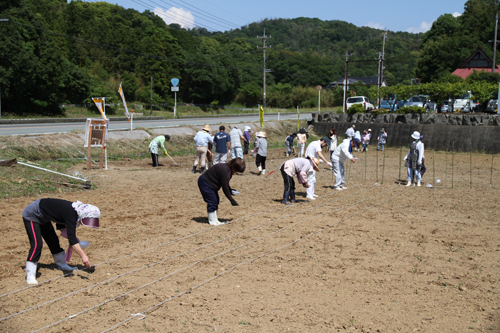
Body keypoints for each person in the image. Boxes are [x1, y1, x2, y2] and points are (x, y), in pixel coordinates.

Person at [22, 198, 100, 285]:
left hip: (45, 217)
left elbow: (62, 227)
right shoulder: (71, 214)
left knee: (53, 241)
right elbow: (71, 239)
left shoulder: (73, 212)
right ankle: (30, 275)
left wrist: (75, 240)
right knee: (37, 244)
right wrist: (83, 256)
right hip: (32, 215)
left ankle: (62, 265)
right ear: (83, 214)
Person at [197, 158, 245, 226]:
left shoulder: (229, 170)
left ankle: (215, 220)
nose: (236, 172)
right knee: (212, 201)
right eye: (236, 170)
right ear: (233, 166)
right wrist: (231, 199)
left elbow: (225, 183)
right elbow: (224, 187)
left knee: (216, 200)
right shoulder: (225, 171)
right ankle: (212, 221)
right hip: (205, 183)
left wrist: (231, 190)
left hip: (211, 185)